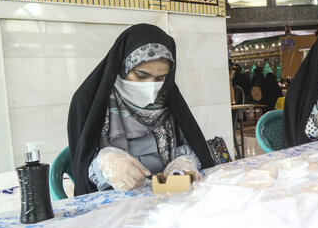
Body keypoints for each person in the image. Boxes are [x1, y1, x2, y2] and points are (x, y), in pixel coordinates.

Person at [68, 24, 215, 196]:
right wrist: (105, 164)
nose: (151, 86)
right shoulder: (89, 102)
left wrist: (184, 162)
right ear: (122, 66)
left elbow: (192, 146)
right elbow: (82, 167)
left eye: (160, 78)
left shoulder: (168, 99)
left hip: (169, 197)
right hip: (115, 204)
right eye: (141, 75)